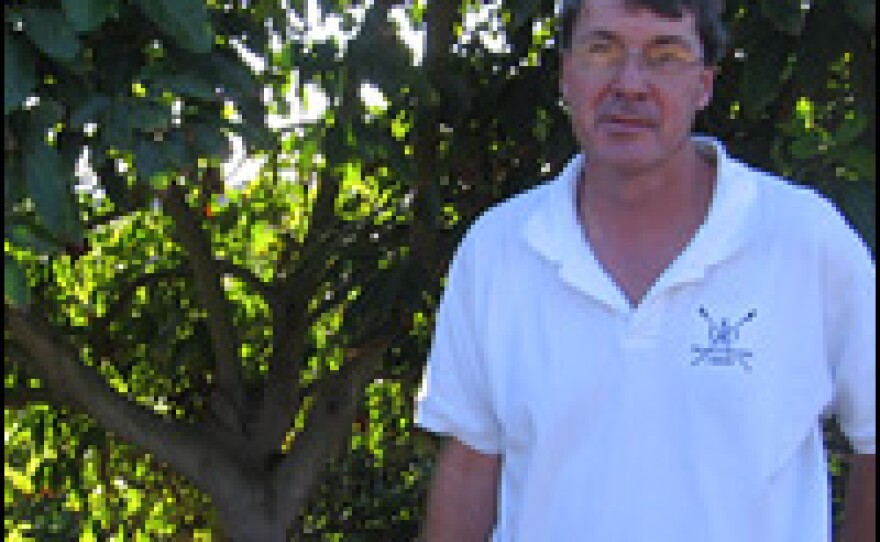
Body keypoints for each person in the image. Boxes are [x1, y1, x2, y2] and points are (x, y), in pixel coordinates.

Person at [413, 0, 876, 540]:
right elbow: (470, 467)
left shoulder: (804, 240)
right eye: (601, 48)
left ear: (704, 84)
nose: (629, 83)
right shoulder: (498, 251)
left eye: (666, 55)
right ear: (566, 73)